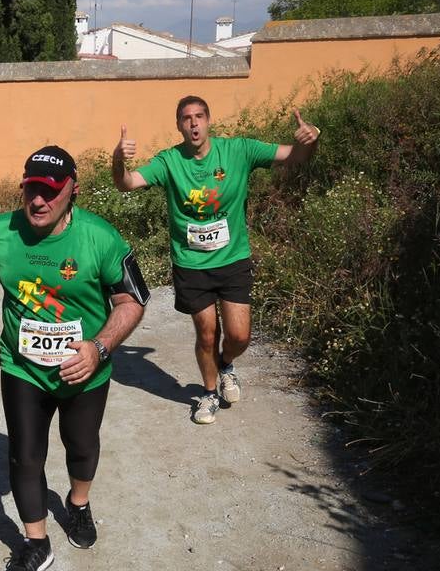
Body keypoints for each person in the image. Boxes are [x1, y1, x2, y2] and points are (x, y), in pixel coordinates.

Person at [0, 146, 148, 571]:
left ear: (73, 190)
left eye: (51, 191)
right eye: (32, 189)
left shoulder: (100, 237)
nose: (38, 201)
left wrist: (99, 348)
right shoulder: (0, 233)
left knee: (81, 444)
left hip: (85, 369)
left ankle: (79, 502)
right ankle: (36, 543)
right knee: (25, 453)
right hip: (22, 365)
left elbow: (132, 300)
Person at [113, 95, 320, 425]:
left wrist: (310, 141)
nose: (193, 123)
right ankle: (208, 394)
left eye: (199, 116)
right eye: (186, 118)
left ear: (209, 121)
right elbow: (126, 183)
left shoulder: (238, 150)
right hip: (191, 264)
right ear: (179, 125)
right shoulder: (169, 161)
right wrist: (118, 160)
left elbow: (294, 157)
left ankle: (225, 364)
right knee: (206, 333)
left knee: (239, 336)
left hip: (233, 259)